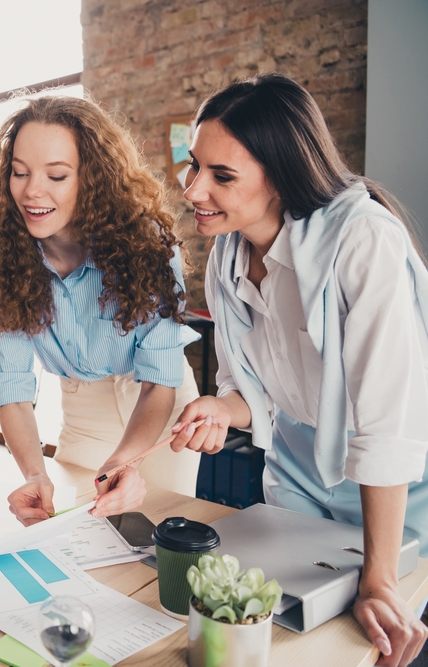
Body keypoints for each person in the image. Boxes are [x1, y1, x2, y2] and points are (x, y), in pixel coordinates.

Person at [170, 73, 428, 667]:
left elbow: (387, 427)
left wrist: (382, 577)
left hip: (396, 487)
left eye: (221, 176)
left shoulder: (363, 241)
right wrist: (221, 407)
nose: (192, 190)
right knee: (290, 636)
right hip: (298, 477)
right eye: (194, 167)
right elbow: (250, 391)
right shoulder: (226, 257)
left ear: (281, 176)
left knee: (378, 639)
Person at [0, 95, 201, 527]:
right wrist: (35, 473)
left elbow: (158, 384)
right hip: (82, 404)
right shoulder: (3, 263)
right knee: (83, 529)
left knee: (163, 530)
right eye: (19, 172)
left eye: (56, 175)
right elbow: (13, 390)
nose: (31, 190)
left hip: (158, 398)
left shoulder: (148, 246)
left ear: (93, 179)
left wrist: (124, 461)